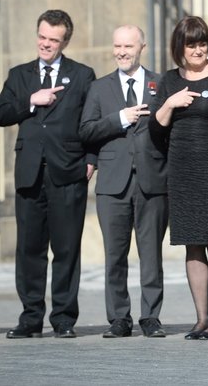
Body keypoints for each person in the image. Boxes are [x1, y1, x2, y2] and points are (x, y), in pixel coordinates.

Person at [0, 9, 96, 339]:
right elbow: (1, 114)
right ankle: (30, 317)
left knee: (66, 248)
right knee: (29, 250)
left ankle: (64, 318)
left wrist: (91, 159)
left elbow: (91, 121)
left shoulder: (82, 75)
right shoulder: (19, 74)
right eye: (42, 37)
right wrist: (30, 100)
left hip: (68, 172)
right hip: (29, 175)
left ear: (65, 41)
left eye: (53, 39)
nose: (46, 44)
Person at [150, 16, 208, 340]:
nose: (198, 50)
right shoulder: (170, 81)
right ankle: (200, 318)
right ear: (180, 47)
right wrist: (171, 103)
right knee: (192, 244)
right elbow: (156, 127)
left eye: (203, 43)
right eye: (192, 44)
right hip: (183, 171)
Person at [78, 25, 169, 339]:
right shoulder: (99, 88)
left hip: (152, 183)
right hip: (112, 185)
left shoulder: (161, 84)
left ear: (141, 46)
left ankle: (151, 317)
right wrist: (119, 118)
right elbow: (86, 131)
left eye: (128, 46)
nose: (121, 52)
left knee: (151, 254)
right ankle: (118, 318)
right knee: (114, 255)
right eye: (117, 46)